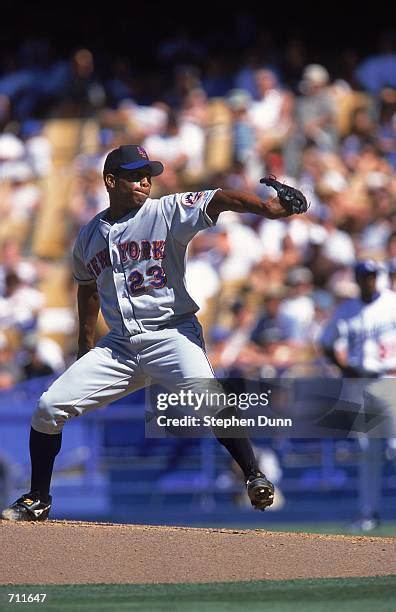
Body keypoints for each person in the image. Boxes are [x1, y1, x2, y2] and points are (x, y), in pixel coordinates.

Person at [1, 144, 307, 521]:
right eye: (135, 174)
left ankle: (253, 475)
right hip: (120, 347)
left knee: (210, 399)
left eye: (149, 173)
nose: (145, 180)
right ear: (111, 181)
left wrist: (266, 208)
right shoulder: (88, 235)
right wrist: (85, 344)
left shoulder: (164, 211)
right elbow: (88, 287)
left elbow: (220, 198)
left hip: (172, 333)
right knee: (48, 408)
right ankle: (38, 498)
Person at [320, 260, 396, 531]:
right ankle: (368, 513)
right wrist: (343, 367)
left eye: (373, 276)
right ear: (357, 278)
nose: (369, 280)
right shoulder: (347, 310)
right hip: (360, 380)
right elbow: (326, 342)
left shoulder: (392, 302)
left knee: (394, 447)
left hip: (390, 377)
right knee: (368, 451)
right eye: (365, 276)